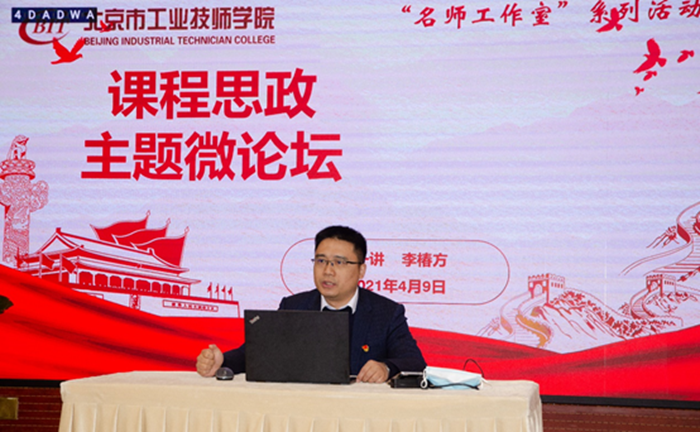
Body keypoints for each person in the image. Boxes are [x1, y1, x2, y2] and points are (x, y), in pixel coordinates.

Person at [196, 225, 426, 383]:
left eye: (339, 262)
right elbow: (256, 354)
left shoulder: (386, 313)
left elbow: (415, 362)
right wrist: (223, 361)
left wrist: (386, 368)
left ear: (361, 270)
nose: (328, 270)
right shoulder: (294, 305)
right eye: (321, 260)